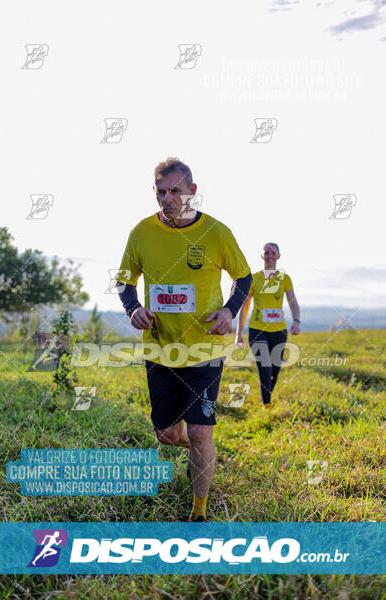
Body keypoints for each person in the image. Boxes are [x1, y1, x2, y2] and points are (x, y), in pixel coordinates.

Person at [116, 157, 252, 521]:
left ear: (192, 191)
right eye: (161, 191)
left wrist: (228, 311)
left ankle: (199, 512)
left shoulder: (217, 233)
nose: (167, 198)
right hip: (160, 350)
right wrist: (133, 309)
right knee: (167, 433)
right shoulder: (141, 233)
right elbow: (125, 281)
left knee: (200, 430)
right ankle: (202, 449)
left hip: (205, 349)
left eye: (175, 190)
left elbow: (244, 277)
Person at [235, 242, 300, 407]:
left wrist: (297, 321)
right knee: (265, 368)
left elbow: (293, 302)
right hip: (257, 330)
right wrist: (238, 334)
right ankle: (267, 405)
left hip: (279, 331)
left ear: (278, 256)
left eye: (273, 253)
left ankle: (267, 398)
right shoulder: (254, 278)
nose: (270, 256)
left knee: (275, 370)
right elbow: (245, 305)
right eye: (267, 253)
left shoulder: (284, 278)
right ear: (262, 256)